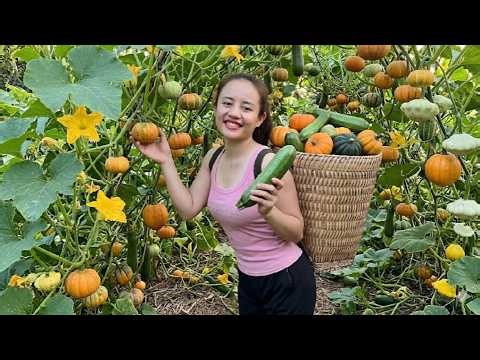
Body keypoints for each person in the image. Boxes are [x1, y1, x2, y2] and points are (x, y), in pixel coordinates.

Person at [131, 73, 316, 315]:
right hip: (248, 279)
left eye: (246, 107)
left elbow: (296, 232)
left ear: (260, 118)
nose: (234, 112)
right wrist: (166, 160)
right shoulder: (213, 158)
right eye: (227, 103)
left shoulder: (268, 163)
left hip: (287, 280)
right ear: (216, 107)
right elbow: (188, 209)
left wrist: (269, 212)